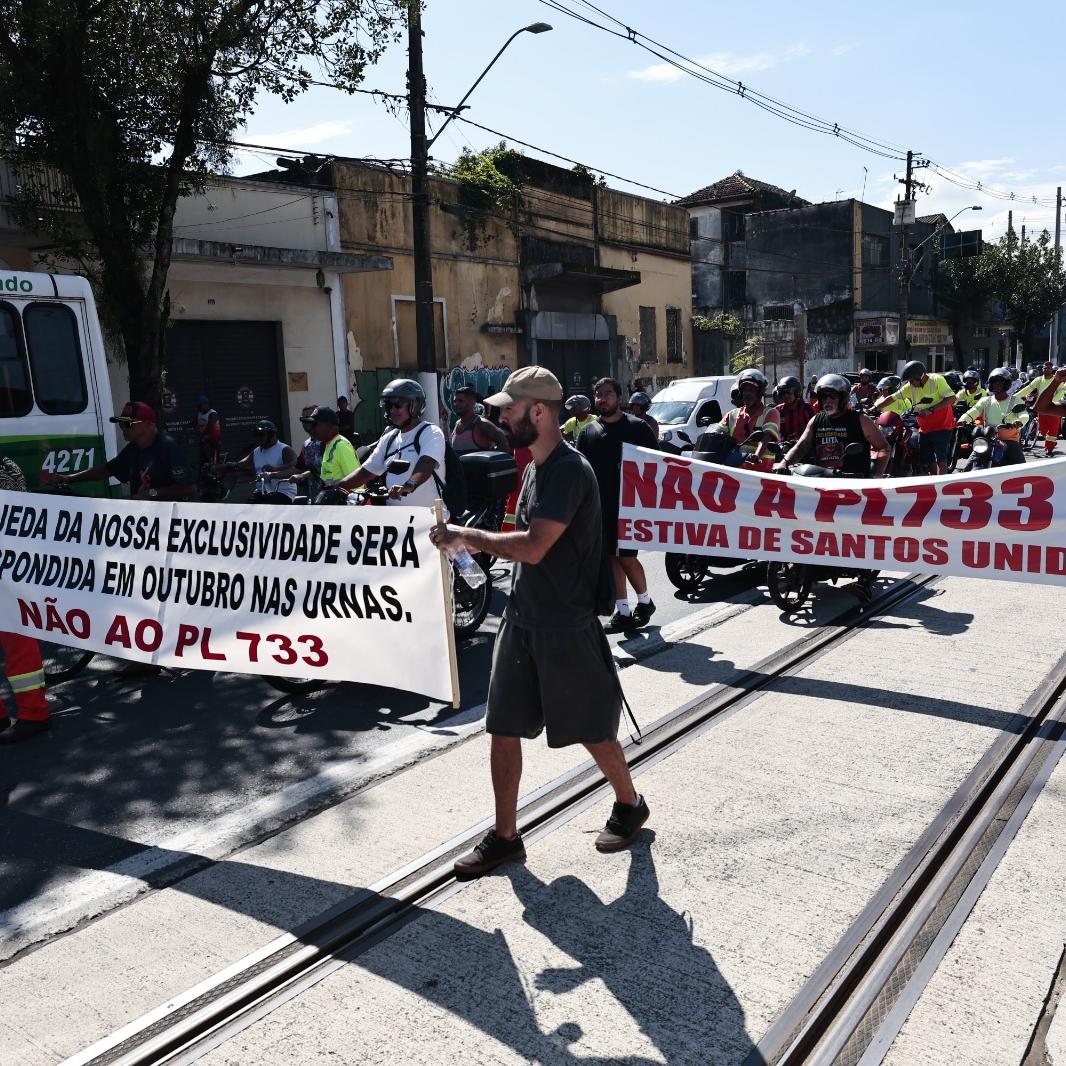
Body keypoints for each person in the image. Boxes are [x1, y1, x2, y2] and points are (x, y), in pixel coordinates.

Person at [428, 366, 649, 876]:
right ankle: (506, 837)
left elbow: (533, 545)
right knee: (502, 727)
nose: (501, 417)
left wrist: (467, 536)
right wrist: (467, 546)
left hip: (565, 623)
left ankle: (630, 803)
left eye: (509, 409)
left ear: (540, 412)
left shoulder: (570, 471)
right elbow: (518, 540)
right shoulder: (532, 467)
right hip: (523, 617)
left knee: (592, 729)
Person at [577, 377, 658, 634]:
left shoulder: (638, 428)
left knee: (627, 557)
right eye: (598, 394)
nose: (602, 399)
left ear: (619, 397)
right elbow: (580, 472)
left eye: (608, 394)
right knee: (612, 558)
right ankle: (622, 612)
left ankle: (645, 602)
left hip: (630, 507)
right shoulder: (587, 433)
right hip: (600, 509)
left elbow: (657, 466)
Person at [0, 455, 50, 744]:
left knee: (18, 640)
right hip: (15, 562)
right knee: (18, 639)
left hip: (9, 567)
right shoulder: (8, 464)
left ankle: (34, 713)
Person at [53, 401, 196, 500]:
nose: (123, 428)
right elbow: (106, 470)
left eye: (128, 424)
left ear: (148, 425)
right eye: (121, 424)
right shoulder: (133, 448)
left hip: (170, 521)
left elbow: (189, 488)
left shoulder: (169, 447)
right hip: (145, 519)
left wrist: (151, 493)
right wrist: (68, 478)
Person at [336, 379, 446, 507]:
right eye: (389, 406)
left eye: (398, 404)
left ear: (415, 405)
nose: (392, 410)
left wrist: (409, 485)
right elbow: (365, 472)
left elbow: (427, 463)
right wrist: (335, 488)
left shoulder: (430, 432)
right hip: (393, 517)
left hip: (430, 516)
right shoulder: (388, 439)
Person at [776, 373, 890, 478]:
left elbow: (884, 447)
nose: (827, 401)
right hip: (821, 482)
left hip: (854, 484)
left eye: (832, 396)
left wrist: (876, 476)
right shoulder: (816, 420)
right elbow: (801, 446)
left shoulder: (861, 420)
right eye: (824, 397)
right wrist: (784, 463)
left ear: (842, 398)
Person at [874, 361, 957, 475]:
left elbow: (952, 398)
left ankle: (942, 483)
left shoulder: (937, 380)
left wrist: (931, 409)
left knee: (940, 458)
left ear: (920, 376)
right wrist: (875, 407)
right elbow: (893, 397)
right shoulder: (910, 386)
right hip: (925, 428)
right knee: (928, 459)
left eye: (912, 380)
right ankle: (934, 479)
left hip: (942, 426)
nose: (910, 383)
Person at [708, 368, 781, 465]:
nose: (747, 393)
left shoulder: (770, 413)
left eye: (751, 390)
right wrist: (705, 442)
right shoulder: (732, 414)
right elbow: (715, 434)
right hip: (735, 463)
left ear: (760, 392)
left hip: (761, 466)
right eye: (744, 390)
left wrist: (757, 455)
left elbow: (766, 437)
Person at [957, 367, 1028, 466]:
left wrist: (1019, 422)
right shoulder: (985, 400)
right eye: (994, 382)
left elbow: (1024, 415)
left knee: (1020, 468)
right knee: (968, 467)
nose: (997, 385)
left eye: (1000, 382)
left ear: (1007, 384)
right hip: (987, 439)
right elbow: (974, 411)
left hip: (1009, 440)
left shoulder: (1016, 400)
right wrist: (963, 420)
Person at [216, 419, 298, 503]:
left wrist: (272, 473)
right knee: (247, 507)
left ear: (271, 435)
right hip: (262, 491)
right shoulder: (257, 451)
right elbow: (239, 464)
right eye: (256, 435)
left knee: (267, 505)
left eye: (261, 434)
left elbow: (293, 470)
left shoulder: (284, 449)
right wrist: (218, 467)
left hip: (283, 492)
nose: (258, 438)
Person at [292, 406, 360, 498]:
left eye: (315, 424)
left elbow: (357, 483)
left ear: (328, 425)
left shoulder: (340, 446)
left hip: (345, 504)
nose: (312, 429)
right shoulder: (329, 445)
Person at [1015, 362, 1063, 457]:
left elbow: (1061, 391)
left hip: (1054, 407)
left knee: (1053, 429)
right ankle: (1050, 442)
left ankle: (1049, 449)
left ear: (1052, 369)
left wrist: (1052, 400)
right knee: (1042, 429)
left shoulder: (1057, 379)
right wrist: (1015, 396)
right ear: (1042, 369)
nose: (1046, 370)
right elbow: (1028, 388)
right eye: (1045, 368)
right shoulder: (1039, 379)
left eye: (1048, 368)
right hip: (1042, 408)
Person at [450, 386, 511, 454]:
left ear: (472, 402)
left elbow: (504, 441)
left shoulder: (481, 424)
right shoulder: (457, 424)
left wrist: (492, 459)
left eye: (460, 401)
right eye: (455, 401)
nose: (456, 404)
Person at [773, 375, 814, 441]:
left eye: (789, 392)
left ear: (796, 392)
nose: (786, 395)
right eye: (783, 393)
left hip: (804, 445)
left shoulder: (806, 408)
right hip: (783, 446)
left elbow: (814, 430)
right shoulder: (777, 410)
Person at [195, 395, 222, 466]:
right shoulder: (199, 413)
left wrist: (198, 433)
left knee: (215, 464)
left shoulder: (212, 414)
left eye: (199, 406)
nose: (198, 408)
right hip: (205, 442)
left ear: (205, 404)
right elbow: (194, 423)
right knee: (204, 463)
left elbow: (210, 429)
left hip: (214, 442)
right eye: (197, 406)